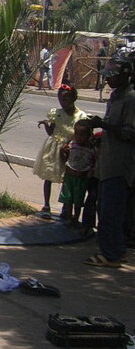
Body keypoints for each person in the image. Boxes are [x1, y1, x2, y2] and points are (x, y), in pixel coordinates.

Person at [83, 54, 135, 268]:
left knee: (110, 211)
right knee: (107, 207)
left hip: (119, 165)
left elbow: (130, 132)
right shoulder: (115, 96)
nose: (107, 81)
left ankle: (110, 254)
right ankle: (117, 250)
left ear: (124, 76)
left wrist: (104, 125)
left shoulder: (130, 99)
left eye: (112, 77)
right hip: (107, 161)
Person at [32, 85, 87, 218]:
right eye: (60, 99)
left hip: (71, 149)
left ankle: (66, 207)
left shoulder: (81, 116)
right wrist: (46, 125)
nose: (63, 102)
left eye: (66, 99)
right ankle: (46, 205)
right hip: (54, 146)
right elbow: (51, 131)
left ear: (74, 98)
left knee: (68, 177)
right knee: (49, 175)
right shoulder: (56, 113)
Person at [58, 119, 97, 226]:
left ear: (89, 135)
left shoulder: (91, 149)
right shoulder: (71, 145)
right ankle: (68, 216)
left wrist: (90, 172)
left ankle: (76, 217)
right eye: (77, 134)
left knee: (78, 200)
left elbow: (93, 161)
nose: (79, 137)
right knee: (68, 198)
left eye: (82, 135)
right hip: (69, 175)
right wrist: (62, 152)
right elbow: (65, 159)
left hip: (82, 177)